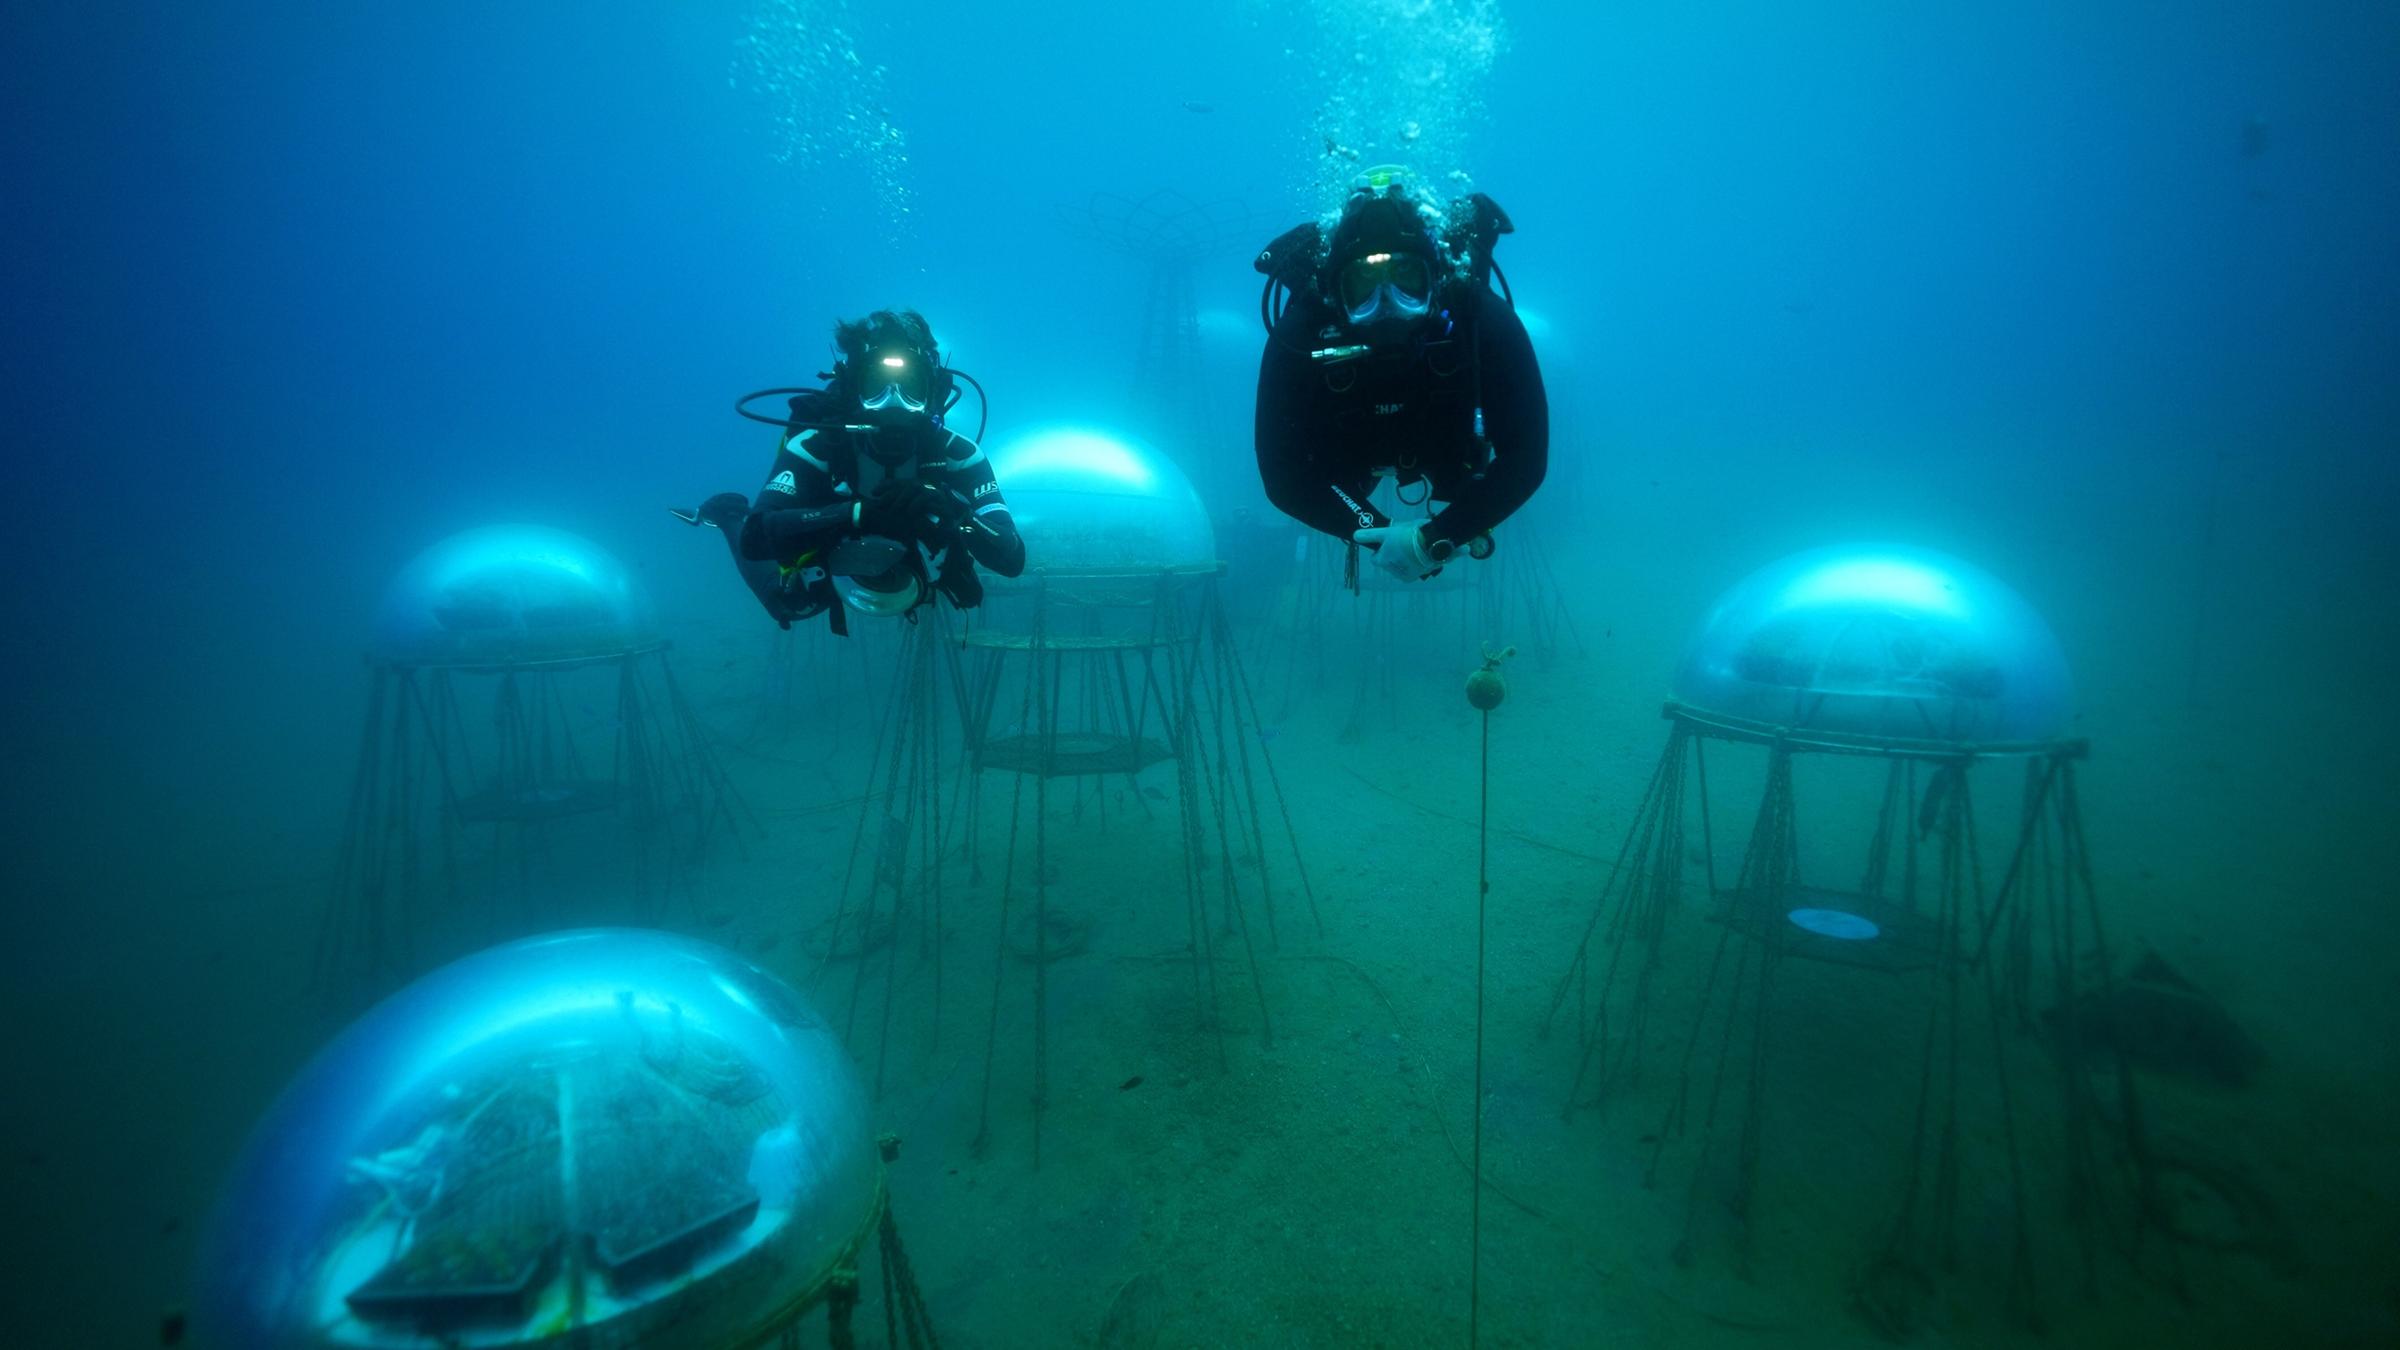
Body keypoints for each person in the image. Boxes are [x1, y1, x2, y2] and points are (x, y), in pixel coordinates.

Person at [1252, 167, 1547, 585]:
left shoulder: (1479, 319)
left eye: (1406, 279)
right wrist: (1380, 533)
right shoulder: (1302, 333)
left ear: (1437, 280)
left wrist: (1435, 537)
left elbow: (1526, 460)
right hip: (1348, 468)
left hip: (1452, 456)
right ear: (1337, 294)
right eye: (1364, 285)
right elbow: (1283, 478)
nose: (1386, 303)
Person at [677, 309, 1025, 635]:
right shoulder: (818, 447)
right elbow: (755, 537)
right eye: (877, 386)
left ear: (932, 388)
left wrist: (955, 510)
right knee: (789, 603)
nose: (894, 401)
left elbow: (1012, 558)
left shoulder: (959, 454)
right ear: (854, 386)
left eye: (910, 387)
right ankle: (727, 514)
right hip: (834, 549)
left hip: (919, 557)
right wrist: (856, 514)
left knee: (960, 585)